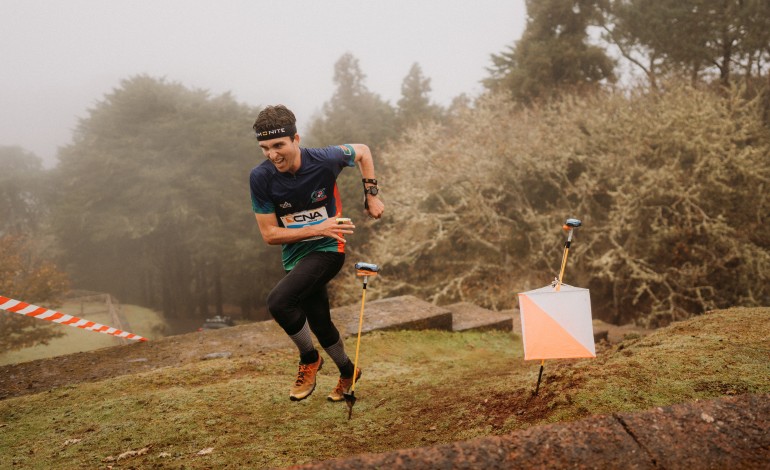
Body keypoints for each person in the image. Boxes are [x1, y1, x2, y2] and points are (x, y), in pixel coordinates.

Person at [249, 105, 384, 402]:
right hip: (296, 255)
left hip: (329, 247)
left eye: (279, 145)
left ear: (296, 139)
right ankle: (349, 371)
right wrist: (316, 227)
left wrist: (371, 195)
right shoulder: (260, 177)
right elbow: (270, 235)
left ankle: (309, 358)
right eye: (265, 148)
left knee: (279, 301)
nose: (273, 155)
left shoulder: (324, 159)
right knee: (321, 322)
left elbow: (362, 151)